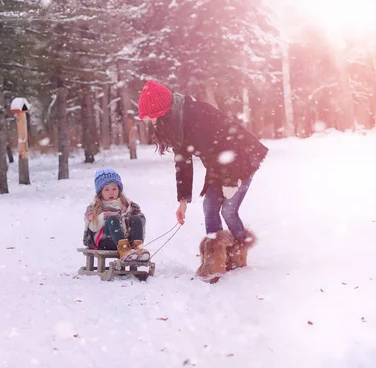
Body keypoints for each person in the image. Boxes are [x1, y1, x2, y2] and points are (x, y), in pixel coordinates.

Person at [137, 80, 268, 283]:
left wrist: (231, 181)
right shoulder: (177, 125)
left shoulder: (197, 115)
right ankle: (215, 261)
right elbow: (183, 163)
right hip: (219, 166)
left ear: (164, 112)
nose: (152, 123)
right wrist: (182, 201)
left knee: (228, 210)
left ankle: (238, 256)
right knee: (209, 206)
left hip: (241, 159)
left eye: (153, 118)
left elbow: (224, 146)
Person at [82, 169, 150, 262]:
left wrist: (130, 220)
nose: (111, 192)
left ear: (119, 190)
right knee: (112, 219)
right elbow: (93, 227)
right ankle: (124, 250)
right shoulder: (95, 207)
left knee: (136, 218)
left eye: (114, 189)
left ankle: (136, 247)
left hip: (126, 239)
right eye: (106, 189)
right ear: (100, 192)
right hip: (105, 241)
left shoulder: (127, 206)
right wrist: (105, 216)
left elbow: (139, 220)